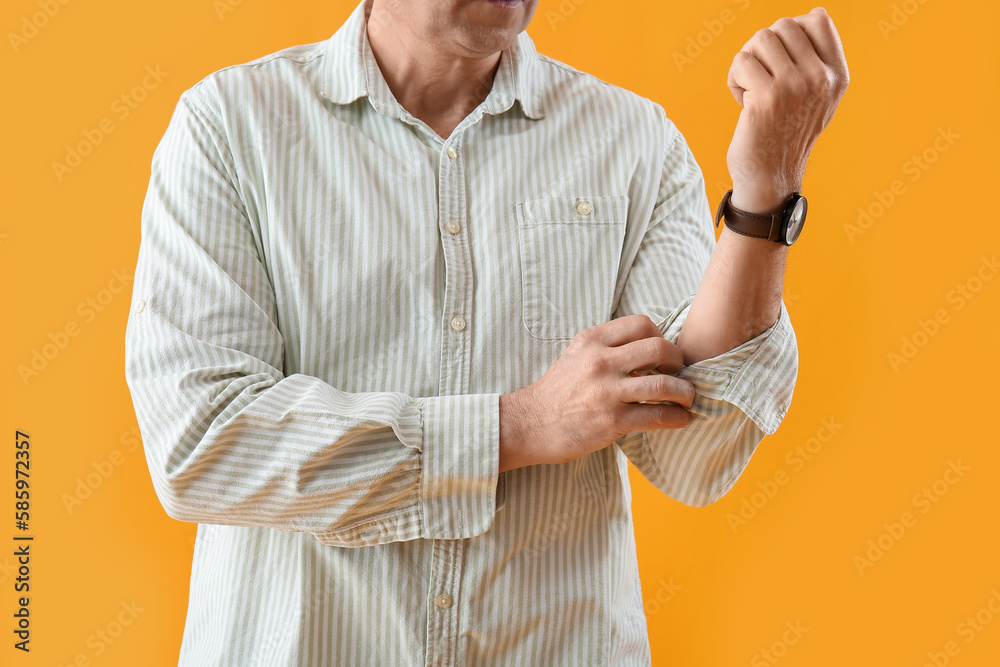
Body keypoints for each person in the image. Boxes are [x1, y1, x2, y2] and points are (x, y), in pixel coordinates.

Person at [124, 0, 848, 663]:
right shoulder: (230, 127)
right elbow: (203, 442)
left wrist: (764, 197)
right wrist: (517, 425)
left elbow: (696, 456)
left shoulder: (635, 144)